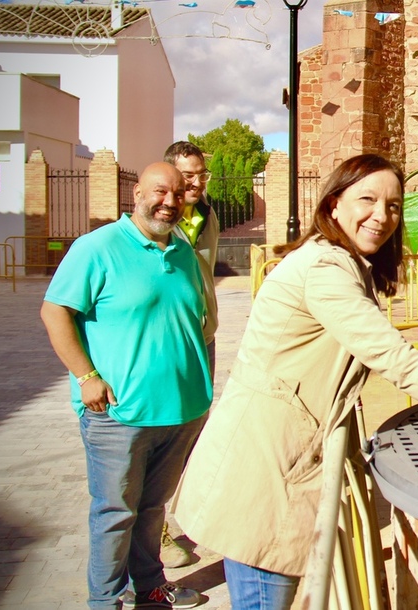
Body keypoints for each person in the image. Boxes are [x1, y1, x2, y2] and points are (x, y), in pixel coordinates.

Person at [174, 154, 418, 610]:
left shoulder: (342, 262)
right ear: (334, 204)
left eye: (394, 206)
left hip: (280, 454)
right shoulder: (324, 270)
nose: (382, 215)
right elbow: (394, 357)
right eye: (367, 199)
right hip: (267, 465)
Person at [40, 162, 212, 610]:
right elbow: (55, 312)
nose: (169, 202)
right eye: (160, 192)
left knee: (153, 511)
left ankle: (150, 588)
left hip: (182, 411)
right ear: (136, 193)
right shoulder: (96, 248)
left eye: (178, 194)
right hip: (118, 415)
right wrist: (86, 375)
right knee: (115, 514)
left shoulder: (183, 251)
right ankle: (106, 602)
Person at [160, 140, 220, 569]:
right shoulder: (157, 223)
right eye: (188, 176)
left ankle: (182, 511)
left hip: (204, 339)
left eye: (202, 174)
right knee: (162, 434)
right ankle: (156, 526)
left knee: (193, 430)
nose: (197, 182)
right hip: (168, 344)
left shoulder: (207, 215)